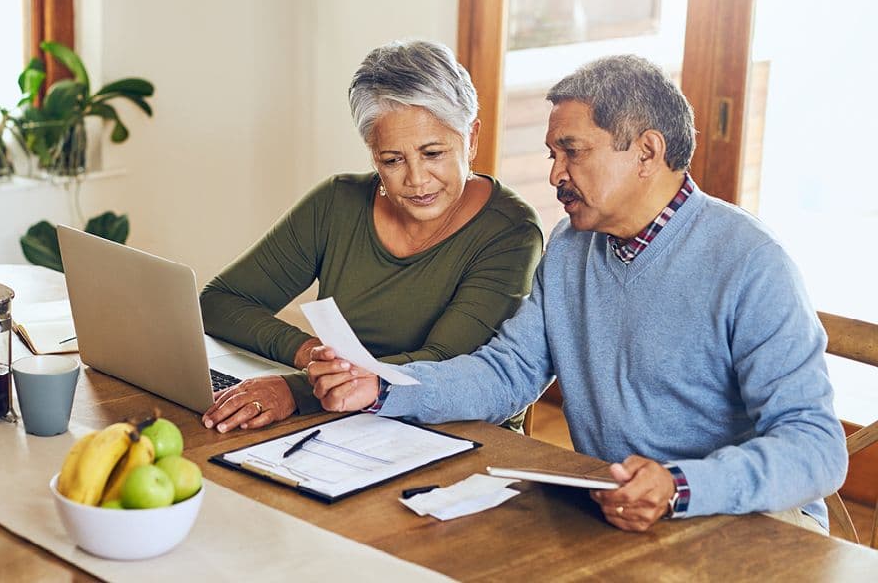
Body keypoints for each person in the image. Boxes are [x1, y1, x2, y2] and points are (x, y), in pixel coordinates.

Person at [308, 54, 848, 533]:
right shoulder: (571, 247)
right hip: (618, 515)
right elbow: (507, 373)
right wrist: (381, 387)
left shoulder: (750, 262)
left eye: (571, 152)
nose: (554, 175)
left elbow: (816, 450)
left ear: (646, 152)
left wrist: (681, 486)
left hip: (750, 525)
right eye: (551, 155)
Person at [198, 40, 543, 434]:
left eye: (433, 154)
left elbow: (446, 364)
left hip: (455, 434)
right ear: (372, 152)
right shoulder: (338, 202)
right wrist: (311, 356)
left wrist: (298, 391)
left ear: (471, 138)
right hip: (343, 425)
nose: (416, 180)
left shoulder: (510, 230)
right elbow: (220, 302)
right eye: (392, 160)